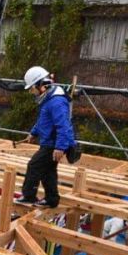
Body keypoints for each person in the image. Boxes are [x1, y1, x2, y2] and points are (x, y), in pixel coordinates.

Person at [16, 65, 76, 208]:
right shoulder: (49, 99)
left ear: (41, 85)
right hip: (50, 142)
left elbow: (63, 126)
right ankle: (52, 199)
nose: (32, 92)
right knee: (48, 171)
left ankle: (29, 196)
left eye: (32, 88)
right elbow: (44, 120)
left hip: (53, 143)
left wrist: (60, 147)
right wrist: (33, 133)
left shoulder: (56, 101)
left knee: (34, 165)